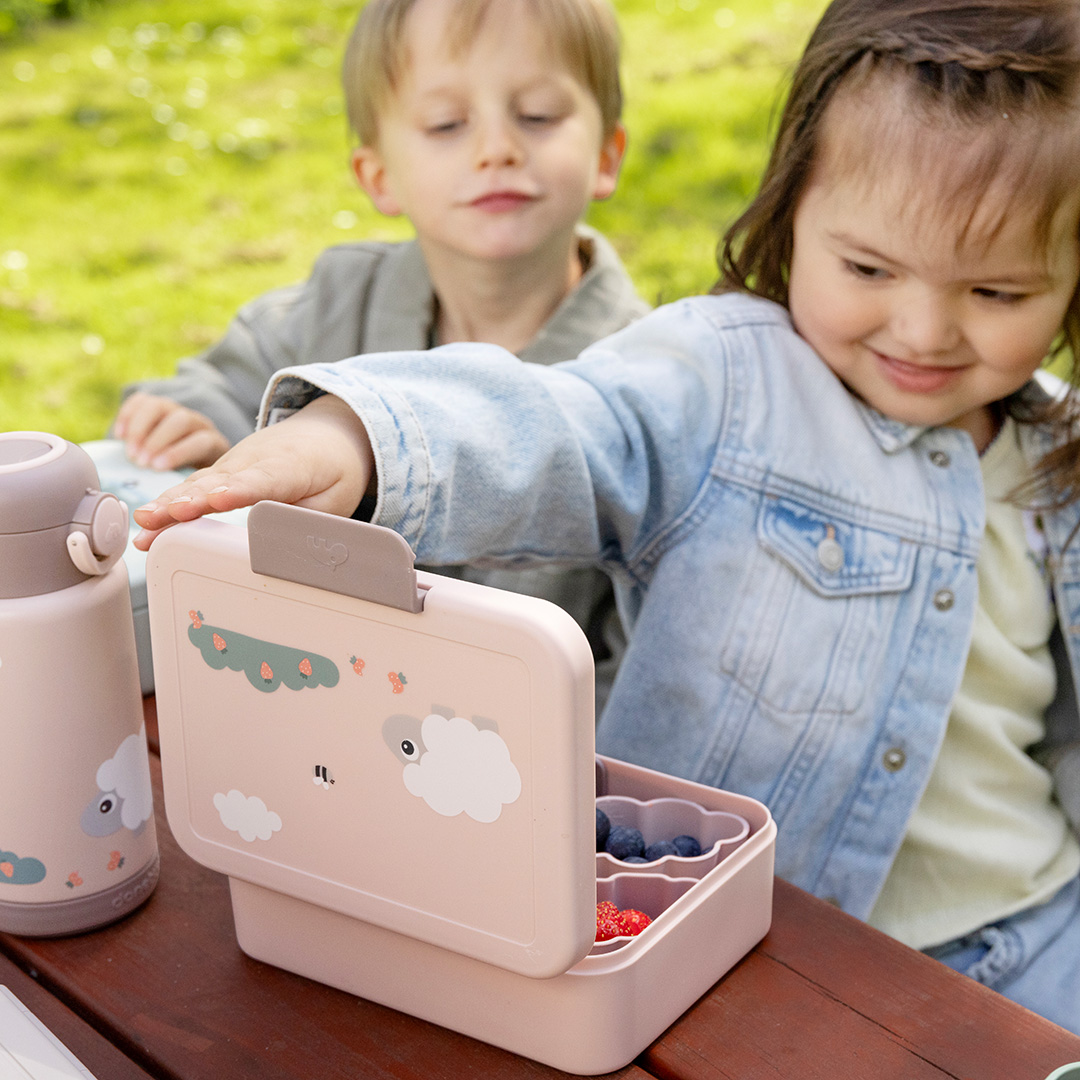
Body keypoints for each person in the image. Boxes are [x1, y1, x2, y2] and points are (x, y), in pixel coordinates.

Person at [134, 0, 1080, 1032]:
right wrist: (355, 440)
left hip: (1043, 922)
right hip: (749, 945)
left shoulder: (1058, 456)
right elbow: (557, 423)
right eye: (868, 270)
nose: (926, 328)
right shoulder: (725, 383)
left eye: (996, 292)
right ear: (792, 210)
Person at [114, 0, 648, 706]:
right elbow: (222, 382)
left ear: (607, 155)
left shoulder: (636, 381)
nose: (497, 148)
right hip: (300, 700)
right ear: (378, 176)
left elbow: (638, 655)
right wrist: (191, 422)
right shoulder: (344, 297)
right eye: (446, 124)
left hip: (507, 753)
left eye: (539, 115)